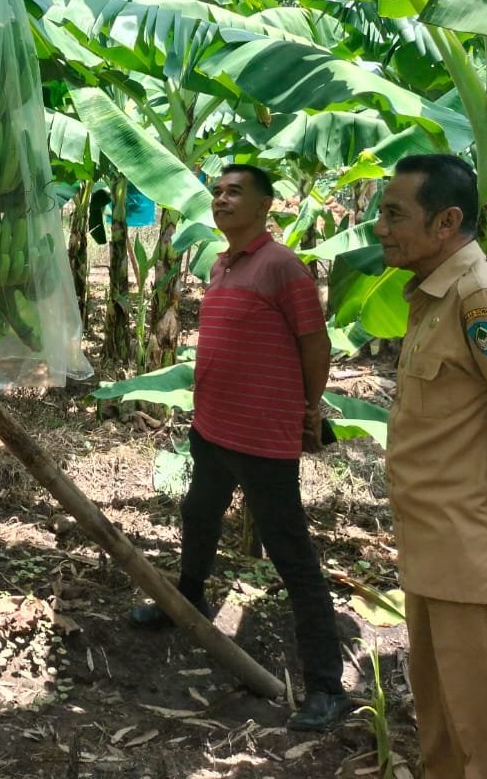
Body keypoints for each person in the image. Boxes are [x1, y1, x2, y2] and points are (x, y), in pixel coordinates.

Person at [130, 164, 349, 732]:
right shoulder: (222, 264)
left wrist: (308, 409)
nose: (222, 200)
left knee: (291, 554)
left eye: (235, 193)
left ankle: (326, 685)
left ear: (264, 207)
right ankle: (189, 603)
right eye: (217, 192)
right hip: (213, 428)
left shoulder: (282, 267)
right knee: (197, 513)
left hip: (261, 439)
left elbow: (314, 342)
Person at [375, 153, 487, 779]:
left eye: (395, 214)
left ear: (447, 221)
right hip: (431, 545)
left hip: (468, 549)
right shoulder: (434, 296)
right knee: (447, 728)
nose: (380, 227)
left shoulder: (481, 298)